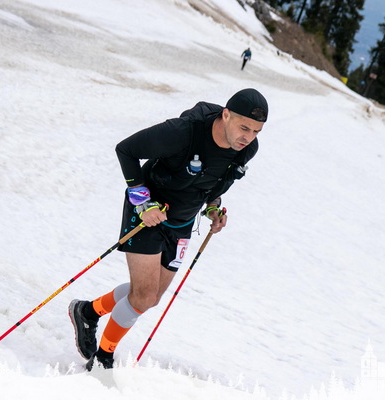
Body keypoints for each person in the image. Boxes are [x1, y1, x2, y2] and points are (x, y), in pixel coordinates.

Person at [68, 88, 269, 370]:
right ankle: (103, 358)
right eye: (244, 127)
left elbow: (215, 182)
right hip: (149, 215)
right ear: (225, 115)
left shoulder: (246, 149)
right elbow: (126, 149)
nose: (248, 137)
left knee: (150, 297)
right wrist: (143, 203)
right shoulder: (183, 133)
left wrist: (213, 209)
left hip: (182, 222)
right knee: (144, 295)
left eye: (256, 131)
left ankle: (88, 311)